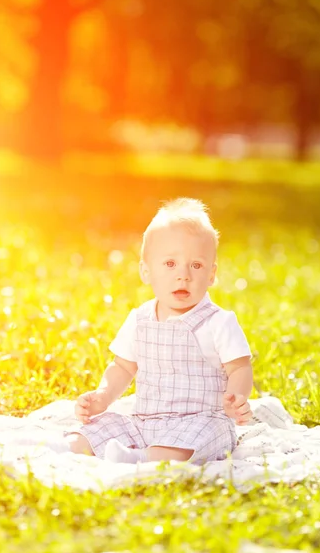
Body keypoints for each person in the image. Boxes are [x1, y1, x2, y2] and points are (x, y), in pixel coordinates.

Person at [65, 198, 253, 464]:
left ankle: (139, 458)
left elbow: (240, 368)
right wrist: (103, 396)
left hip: (200, 420)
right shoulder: (140, 319)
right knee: (103, 426)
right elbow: (122, 367)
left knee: (207, 437)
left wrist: (236, 398)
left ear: (211, 275)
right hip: (144, 421)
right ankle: (65, 447)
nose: (183, 275)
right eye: (169, 264)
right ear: (146, 271)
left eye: (196, 265)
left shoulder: (218, 322)